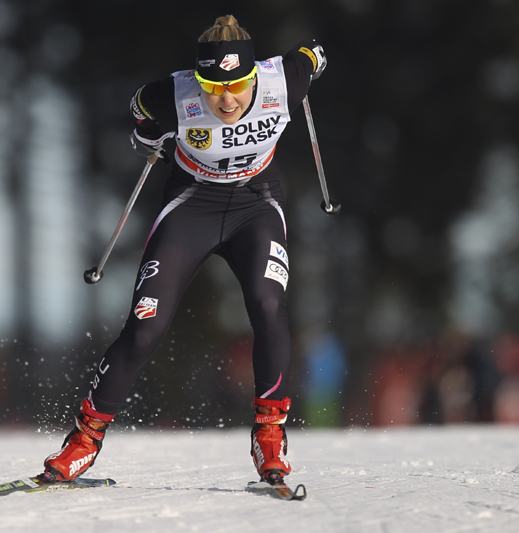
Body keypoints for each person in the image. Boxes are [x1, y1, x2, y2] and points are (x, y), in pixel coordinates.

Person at [42, 15, 327, 486]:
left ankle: (269, 437)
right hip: (192, 203)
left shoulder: (283, 79)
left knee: (268, 304)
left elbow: (314, 53)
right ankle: (83, 442)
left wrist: (313, 56)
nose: (226, 99)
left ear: (254, 74)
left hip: (256, 203)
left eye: (237, 84)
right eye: (212, 86)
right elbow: (137, 107)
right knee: (146, 326)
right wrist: (145, 134)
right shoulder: (174, 95)